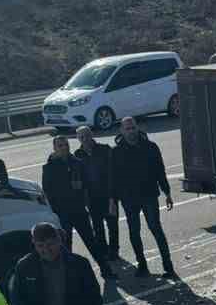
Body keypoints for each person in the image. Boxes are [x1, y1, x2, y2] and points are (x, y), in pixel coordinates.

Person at [111, 116, 177, 279]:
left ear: (137, 128)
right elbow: (113, 178)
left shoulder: (150, 147)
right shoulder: (116, 152)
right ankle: (142, 265)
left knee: (156, 229)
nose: (131, 131)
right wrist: (113, 200)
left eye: (133, 127)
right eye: (127, 128)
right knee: (134, 232)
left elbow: (160, 171)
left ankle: (168, 267)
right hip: (129, 198)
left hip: (149, 195)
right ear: (122, 131)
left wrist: (167, 193)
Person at [42, 135, 110, 275]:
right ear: (55, 148)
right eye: (60, 145)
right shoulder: (49, 168)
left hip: (79, 210)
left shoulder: (77, 163)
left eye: (66, 144)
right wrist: (55, 212)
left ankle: (106, 269)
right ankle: (68, 275)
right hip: (62, 213)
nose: (64, 147)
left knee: (91, 241)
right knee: (66, 246)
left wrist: (83, 194)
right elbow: (47, 192)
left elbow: (86, 185)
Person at [74, 125, 120, 267]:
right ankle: (103, 251)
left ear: (92, 135)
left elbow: (113, 174)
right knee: (98, 227)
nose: (85, 139)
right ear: (78, 139)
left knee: (112, 225)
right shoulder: (77, 155)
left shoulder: (105, 149)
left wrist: (113, 197)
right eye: (81, 137)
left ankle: (114, 250)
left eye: (87, 136)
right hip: (92, 198)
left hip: (108, 195)